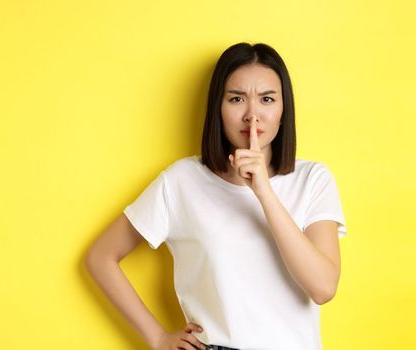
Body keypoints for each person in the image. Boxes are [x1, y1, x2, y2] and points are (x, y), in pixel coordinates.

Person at [84, 42, 347, 350]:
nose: (252, 115)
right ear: (218, 108)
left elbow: (323, 288)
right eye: (236, 99)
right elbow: (100, 257)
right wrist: (157, 338)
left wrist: (263, 192)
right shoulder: (183, 181)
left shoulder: (313, 179)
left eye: (266, 99)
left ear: (283, 108)